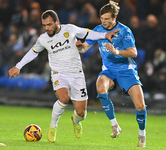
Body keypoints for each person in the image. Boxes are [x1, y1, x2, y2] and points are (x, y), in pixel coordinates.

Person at [8, 10, 118, 142]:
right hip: (59, 74)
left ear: (57, 22)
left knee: (81, 113)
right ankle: (53, 126)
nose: (47, 28)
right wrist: (18, 66)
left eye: (49, 24)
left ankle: (76, 121)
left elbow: (89, 33)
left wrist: (105, 35)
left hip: (77, 74)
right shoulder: (43, 39)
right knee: (64, 98)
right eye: (45, 25)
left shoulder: (70, 29)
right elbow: (33, 52)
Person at [76, 1, 147, 147]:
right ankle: (114, 125)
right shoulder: (98, 29)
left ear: (114, 18)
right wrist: (79, 47)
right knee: (101, 88)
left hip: (126, 70)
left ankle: (142, 135)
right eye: (102, 18)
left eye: (107, 19)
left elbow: (133, 52)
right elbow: (84, 48)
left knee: (140, 106)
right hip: (109, 70)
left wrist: (116, 52)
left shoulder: (124, 31)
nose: (104, 22)